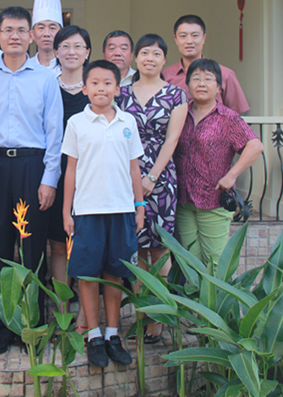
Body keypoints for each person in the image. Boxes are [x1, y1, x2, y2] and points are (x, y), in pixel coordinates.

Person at [0, 6, 63, 355]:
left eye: (21, 30)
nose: (14, 36)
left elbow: (54, 132)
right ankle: (1, 327)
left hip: (31, 166)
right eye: (8, 30)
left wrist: (49, 179)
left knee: (31, 250)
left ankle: (33, 326)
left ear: (31, 36)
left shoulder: (45, 79)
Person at [62, 60, 145, 368]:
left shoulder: (127, 122)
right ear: (85, 89)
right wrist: (67, 211)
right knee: (87, 273)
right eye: (94, 83)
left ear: (118, 89)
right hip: (87, 211)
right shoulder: (76, 123)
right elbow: (70, 170)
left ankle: (112, 333)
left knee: (114, 273)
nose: (101, 88)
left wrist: (139, 205)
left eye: (107, 83)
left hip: (121, 209)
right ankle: (93, 335)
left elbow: (134, 168)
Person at [115, 34, 188, 342]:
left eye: (156, 54)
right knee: (135, 250)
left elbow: (172, 139)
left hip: (160, 177)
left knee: (158, 249)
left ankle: (158, 319)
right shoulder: (121, 94)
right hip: (125, 175)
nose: (149, 58)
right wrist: (134, 179)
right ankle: (141, 315)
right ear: (136, 58)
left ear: (164, 60)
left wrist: (152, 177)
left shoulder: (176, 95)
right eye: (144, 53)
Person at [174, 58, 263, 265]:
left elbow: (255, 146)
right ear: (188, 84)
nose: (201, 84)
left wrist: (232, 175)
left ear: (219, 86)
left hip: (213, 200)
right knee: (189, 262)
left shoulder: (227, 117)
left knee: (214, 263)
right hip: (183, 201)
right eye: (196, 78)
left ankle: (214, 290)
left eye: (208, 79)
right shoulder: (180, 114)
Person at [47, 26, 90, 309]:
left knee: (85, 242)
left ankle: (85, 314)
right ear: (56, 52)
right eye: (64, 46)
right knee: (58, 243)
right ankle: (63, 307)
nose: (71, 52)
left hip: (90, 175)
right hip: (57, 172)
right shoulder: (47, 86)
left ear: (87, 52)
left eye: (77, 46)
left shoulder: (97, 86)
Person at [163, 15, 250, 114]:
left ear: (203, 38)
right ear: (176, 39)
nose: (189, 41)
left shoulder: (225, 74)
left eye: (195, 35)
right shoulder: (165, 76)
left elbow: (237, 115)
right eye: (183, 36)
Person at [29, 0, 63, 69]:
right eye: (41, 28)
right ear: (32, 34)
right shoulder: (26, 68)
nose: (46, 34)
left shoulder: (68, 68)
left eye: (52, 28)